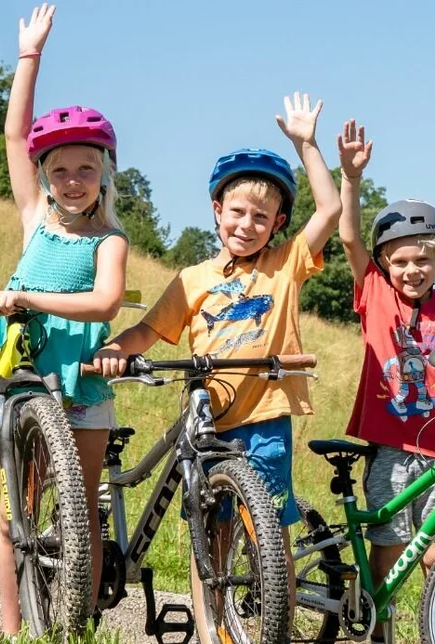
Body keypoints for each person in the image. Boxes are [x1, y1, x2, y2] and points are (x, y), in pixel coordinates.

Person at [93, 92, 346, 637]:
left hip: (267, 417)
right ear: (217, 211)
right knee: (212, 532)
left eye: (262, 216)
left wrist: (306, 144)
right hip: (208, 422)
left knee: (269, 528)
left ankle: (264, 615)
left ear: (278, 223)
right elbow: (148, 329)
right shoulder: (193, 278)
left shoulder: (284, 265)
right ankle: (212, 632)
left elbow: (329, 211)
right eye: (237, 212)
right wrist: (118, 349)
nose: (248, 224)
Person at [0, 3, 130, 635]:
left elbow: (104, 305)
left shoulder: (111, 239)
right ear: (45, 174)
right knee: (18, 510)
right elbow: (16, 135)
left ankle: (78, 624)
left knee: (83, 510)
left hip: (83, 381)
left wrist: (29, 298)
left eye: (85, 169)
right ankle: (15, 630)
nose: (72, 180)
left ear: (104, 175)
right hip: (21, 372)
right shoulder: (34, 217)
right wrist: (29, 57)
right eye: (60, 169)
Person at [333, 120, 435, 640]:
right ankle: (379, 631)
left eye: (424, 259)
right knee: (390, 547)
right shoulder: (373, 292)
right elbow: (348, 235)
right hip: (391, 447)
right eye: (401, 261)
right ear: (384, 264)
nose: (412, 269)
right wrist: (350, 178)